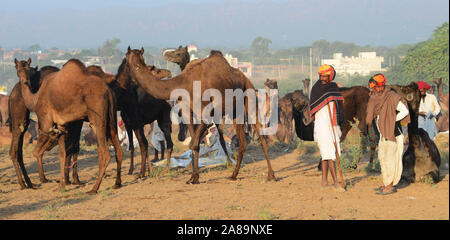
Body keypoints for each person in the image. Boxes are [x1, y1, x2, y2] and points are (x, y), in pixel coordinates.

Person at [366, 73, 410, 195]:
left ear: (380, 86)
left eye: (375, 87)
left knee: (390, 160)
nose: (373, 89)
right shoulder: (375, 98)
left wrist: (392, 119)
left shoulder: (391, 96)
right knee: (383, 159)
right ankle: (386, 183)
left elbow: (405, 111)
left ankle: (390, 186)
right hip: (382, 136)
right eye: (373, 87)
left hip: (393, 135)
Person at [310, 64, 345, 192]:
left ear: (330, 76)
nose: (322, 78)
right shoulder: (316, 88)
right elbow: (313, 107)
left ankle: (324, 182)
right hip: (322, 125)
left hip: (333, 125)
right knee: (329, 154)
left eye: (325, 75)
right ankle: (336, 183)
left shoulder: (334, 87)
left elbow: (339, 105)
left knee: (328, 154)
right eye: (321, 75)